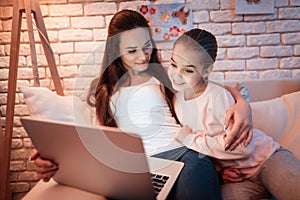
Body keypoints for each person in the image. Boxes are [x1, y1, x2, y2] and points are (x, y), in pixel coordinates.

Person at [31, 10, 252, 200]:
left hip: (184, 155)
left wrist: (243, 104)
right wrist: (52, 153)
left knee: (195, 168)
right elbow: (92, 137)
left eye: (147, 46)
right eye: (132, 50)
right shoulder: (105, 92)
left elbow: (207, 89)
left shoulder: (165, 76)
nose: (143, 56)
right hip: (137, 167)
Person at [168, 28, 300, 200]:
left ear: (206, 71)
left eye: (188, 70)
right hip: (238, 178)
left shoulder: (217, 96)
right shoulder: (177, 101)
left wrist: (189, 138)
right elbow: (210, 150)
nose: (176, 75)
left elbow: (242, 149)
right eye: (173, 64)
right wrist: (220, 170)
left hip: (267, 159)